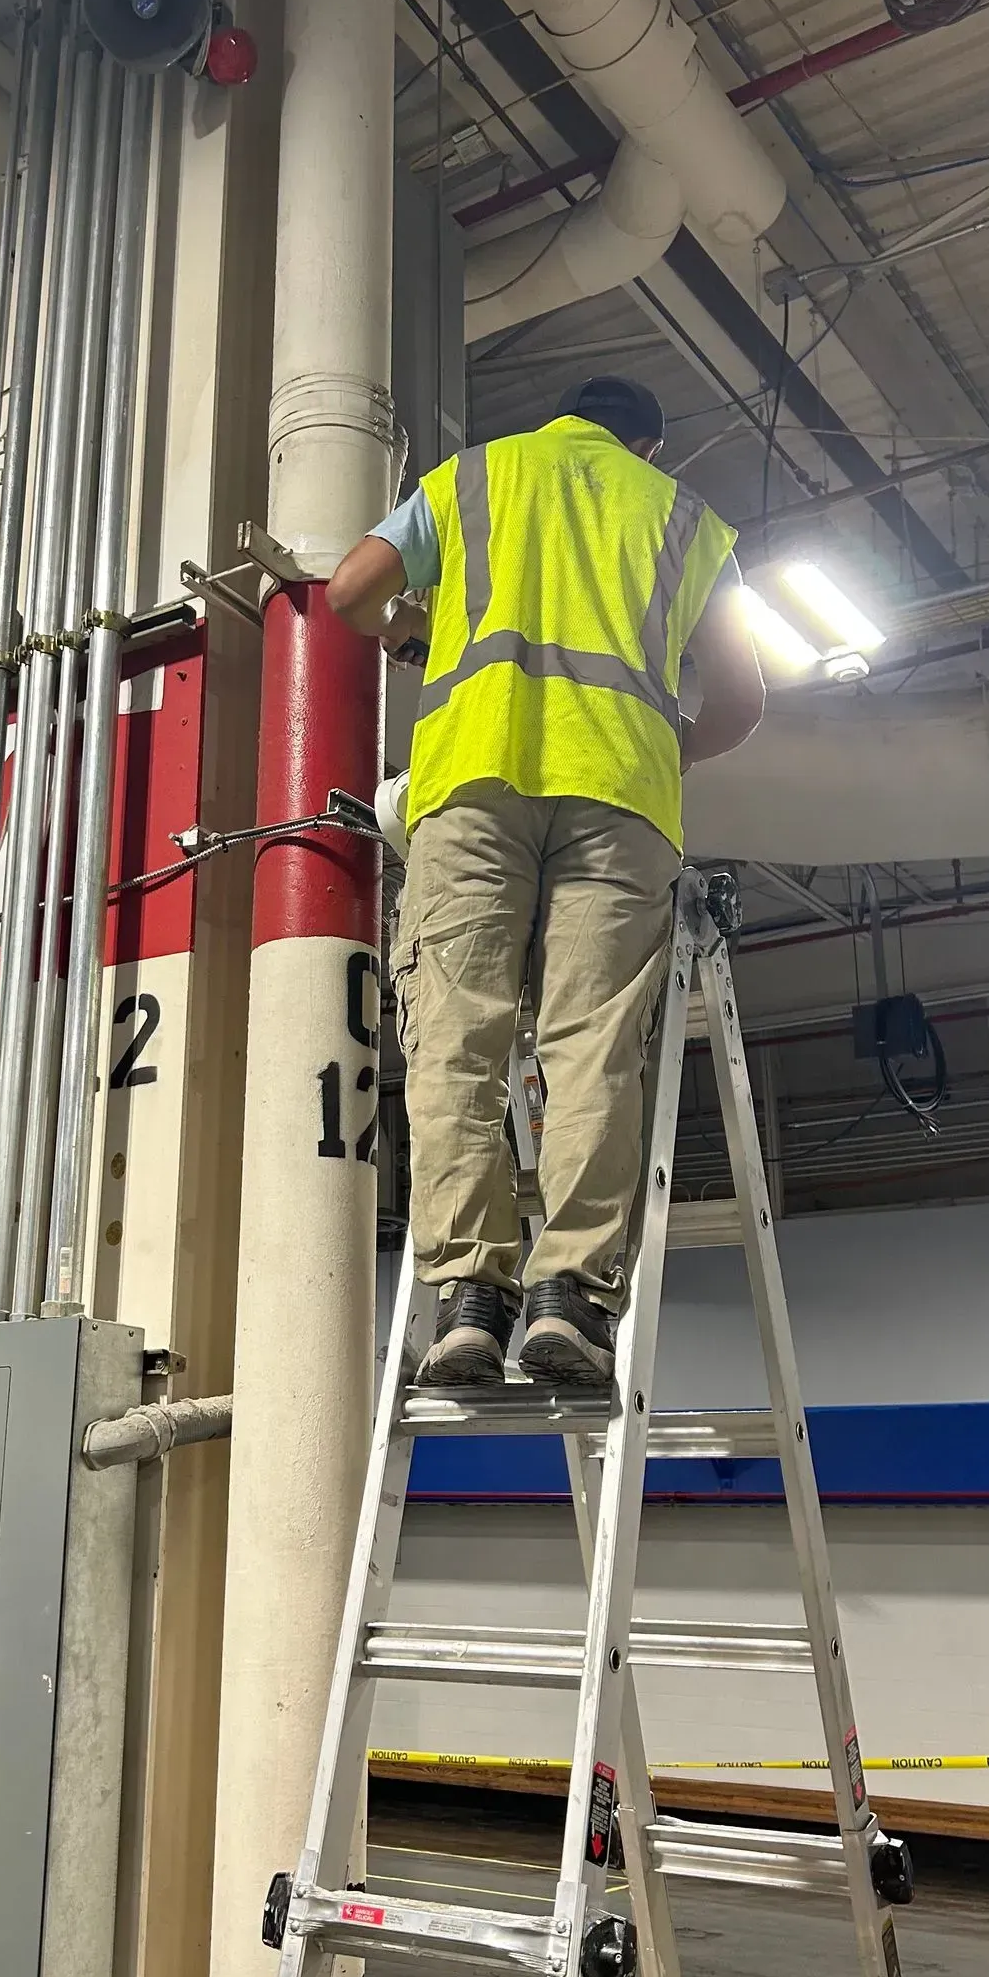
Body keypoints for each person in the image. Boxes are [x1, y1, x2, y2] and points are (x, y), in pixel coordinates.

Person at [328, 373, 765, 1390]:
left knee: (458, 1041)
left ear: (561, 417)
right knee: (592, 1049)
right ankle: (570, 1297)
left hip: (472, 784)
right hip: (621, 800)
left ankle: (471, 1302)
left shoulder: (474, 478)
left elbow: (350, 589)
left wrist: (410, 631)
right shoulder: (689, 519)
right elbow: (742, 702)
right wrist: (660, 747)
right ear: (646, 449)